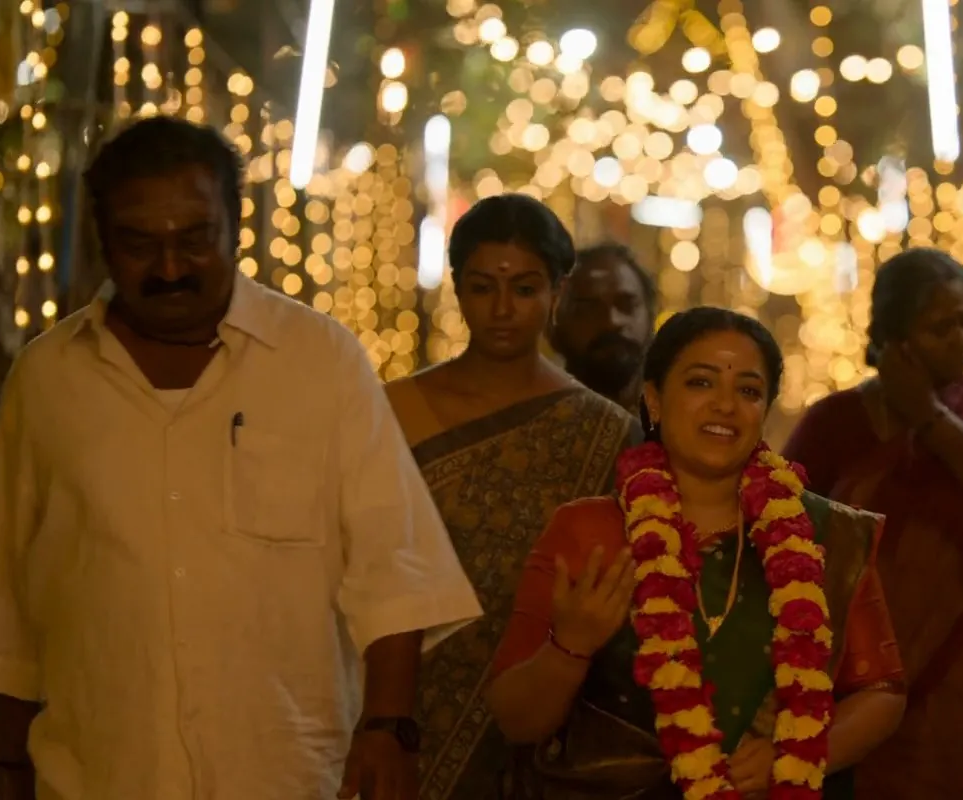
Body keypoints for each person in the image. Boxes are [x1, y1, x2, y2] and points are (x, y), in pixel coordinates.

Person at [0, 116, 483, 800]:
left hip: (286, 777)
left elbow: (395, 567)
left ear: (235, 228)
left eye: (194, 240)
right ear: (103, 241)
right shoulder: (47, 379)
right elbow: (6, 608)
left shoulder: (319, 361)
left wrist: (388, 729)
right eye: (140, 244)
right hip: (98, 777)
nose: (170, 268)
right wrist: (8, 772)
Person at [484, 307, 908, 799]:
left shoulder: (827, 536)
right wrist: (569, 647)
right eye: (701, 383)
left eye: (748, 391)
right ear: (654, 400)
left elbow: (882, 692)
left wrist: (800, 755)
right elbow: (515, 721)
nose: (725, 405)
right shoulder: (590, 532)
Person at [782, 248, 963, 799]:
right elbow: (785, 531)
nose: (962, 339)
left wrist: (930, 420)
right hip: (866, 683)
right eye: (941, 327)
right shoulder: (835, 424)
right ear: (893, 340)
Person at [382, 195, 642, 798]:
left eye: (525, 289)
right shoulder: (391, 410)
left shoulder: (604, 433)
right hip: (398, 703)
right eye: (482, 288)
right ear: (458, 288)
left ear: (558, 291)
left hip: (550, 715)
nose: (502, 310)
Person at [551, 243, 658, 411]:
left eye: (627, 305)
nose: (612, 321)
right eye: (588, 309)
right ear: (555, 326)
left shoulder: (681, 417)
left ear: (650, 316)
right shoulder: (533, 421)